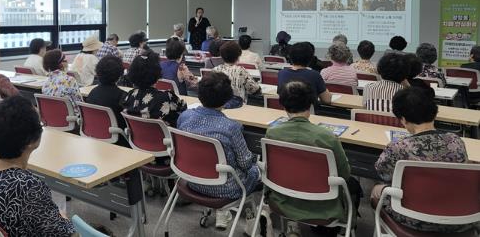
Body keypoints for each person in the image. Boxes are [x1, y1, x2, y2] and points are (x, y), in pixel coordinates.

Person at [0, 96, 75, 236]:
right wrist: (63, 218)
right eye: (40, 124)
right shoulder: (28, 186)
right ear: (30, 140)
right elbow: (62, 233)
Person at [266, 81, 358, 237]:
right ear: (310, 104)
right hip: (323, 207)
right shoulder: (327, 137)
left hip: (282, 200)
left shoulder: (272, 133)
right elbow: (344, 174)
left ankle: (292, 226)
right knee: (354, 186)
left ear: (283, 105)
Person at [373, 87, 469, 233]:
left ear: (403, 119)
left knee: (377, 189)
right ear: (434, 112)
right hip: (459, 217)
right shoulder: (456, 141)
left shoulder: (398, 147)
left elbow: (382, 172)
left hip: (412, 217)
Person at [177, 72, 260, 230]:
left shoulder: (184, 117)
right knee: (256, 171)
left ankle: (224, 213)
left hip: (192, 181)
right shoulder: (231, 127)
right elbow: (245, 163)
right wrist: (256, 161)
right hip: (226, 188)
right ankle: (253, 223)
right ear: (227, 99)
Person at [123, 51, 186, 127]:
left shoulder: (129, 96)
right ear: (157, 73)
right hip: (164, 134)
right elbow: (183, 107)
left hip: (137, 134)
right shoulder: (166, 97)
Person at [84, 56, 128, 146]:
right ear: (119, 75)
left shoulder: (92, 93)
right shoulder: (122, 96)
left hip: (94, 138)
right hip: (118, 141)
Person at [213, 41, 261, 108]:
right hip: (238, 107)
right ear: (238, 56)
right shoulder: (240, 70)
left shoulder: (215, 69)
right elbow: (254, 89)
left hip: (219, 106)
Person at [42, 49, 83, 115]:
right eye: (65, 60)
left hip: (53, 116)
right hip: (71, 117)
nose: (67, 62)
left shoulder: (45, 83)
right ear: (61, 64)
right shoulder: (70, 80)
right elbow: (79, 103)